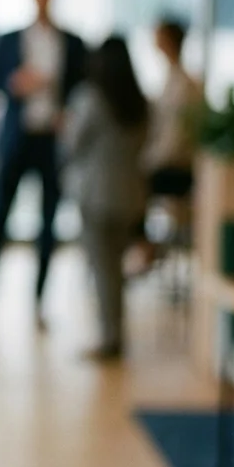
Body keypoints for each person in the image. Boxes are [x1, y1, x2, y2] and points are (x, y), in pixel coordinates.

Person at [0, 0, 86, 329]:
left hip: (52, 141)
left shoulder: (73, 43)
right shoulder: (9, 40)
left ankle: (39, 306)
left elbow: (81, 88)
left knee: (48, 224)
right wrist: (14, 83)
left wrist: (68, 113)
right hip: (16, 141)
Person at [61, 36, 149, 360]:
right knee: (115, 270)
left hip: (96, 196)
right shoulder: (139, 101)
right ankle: (115, 334)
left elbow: (72, 143)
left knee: (103, 270)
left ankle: (110, 340)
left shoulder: (91, 98)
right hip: (130, 195)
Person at [142, 17, 202, 199]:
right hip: (168, 159)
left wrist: (148, 162)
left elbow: (174, 136)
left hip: (176, 166)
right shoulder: (171, 79)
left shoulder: (183, 85)